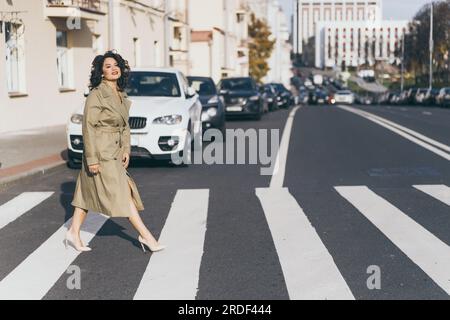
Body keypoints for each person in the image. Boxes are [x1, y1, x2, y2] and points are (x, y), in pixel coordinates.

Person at [66, 50, 165, 254]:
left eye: (116, 65)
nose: (113, 69)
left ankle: (73, 232)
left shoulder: (120, 94)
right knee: (123, 192)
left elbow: (125, 125)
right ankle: (147, 237)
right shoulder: (96, 94)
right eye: (107, 66)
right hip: (101, 151)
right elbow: (88, 127)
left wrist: (126, 148)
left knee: (86, 193)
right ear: (101, 73)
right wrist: (92, 159)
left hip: (115, 149)